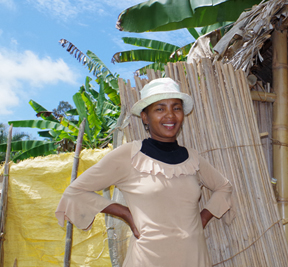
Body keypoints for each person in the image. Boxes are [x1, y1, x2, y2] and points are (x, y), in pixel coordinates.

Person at [55, 78, 233, 267]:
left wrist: (202, 220)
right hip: (148, 259)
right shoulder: (129, 155)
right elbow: (75, 192)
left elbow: (224, 187)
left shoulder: (192, 159)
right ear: (145, 117)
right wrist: (125, 213)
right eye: (160, 109)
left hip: (194, 257)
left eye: (176, 108)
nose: (170, 115)